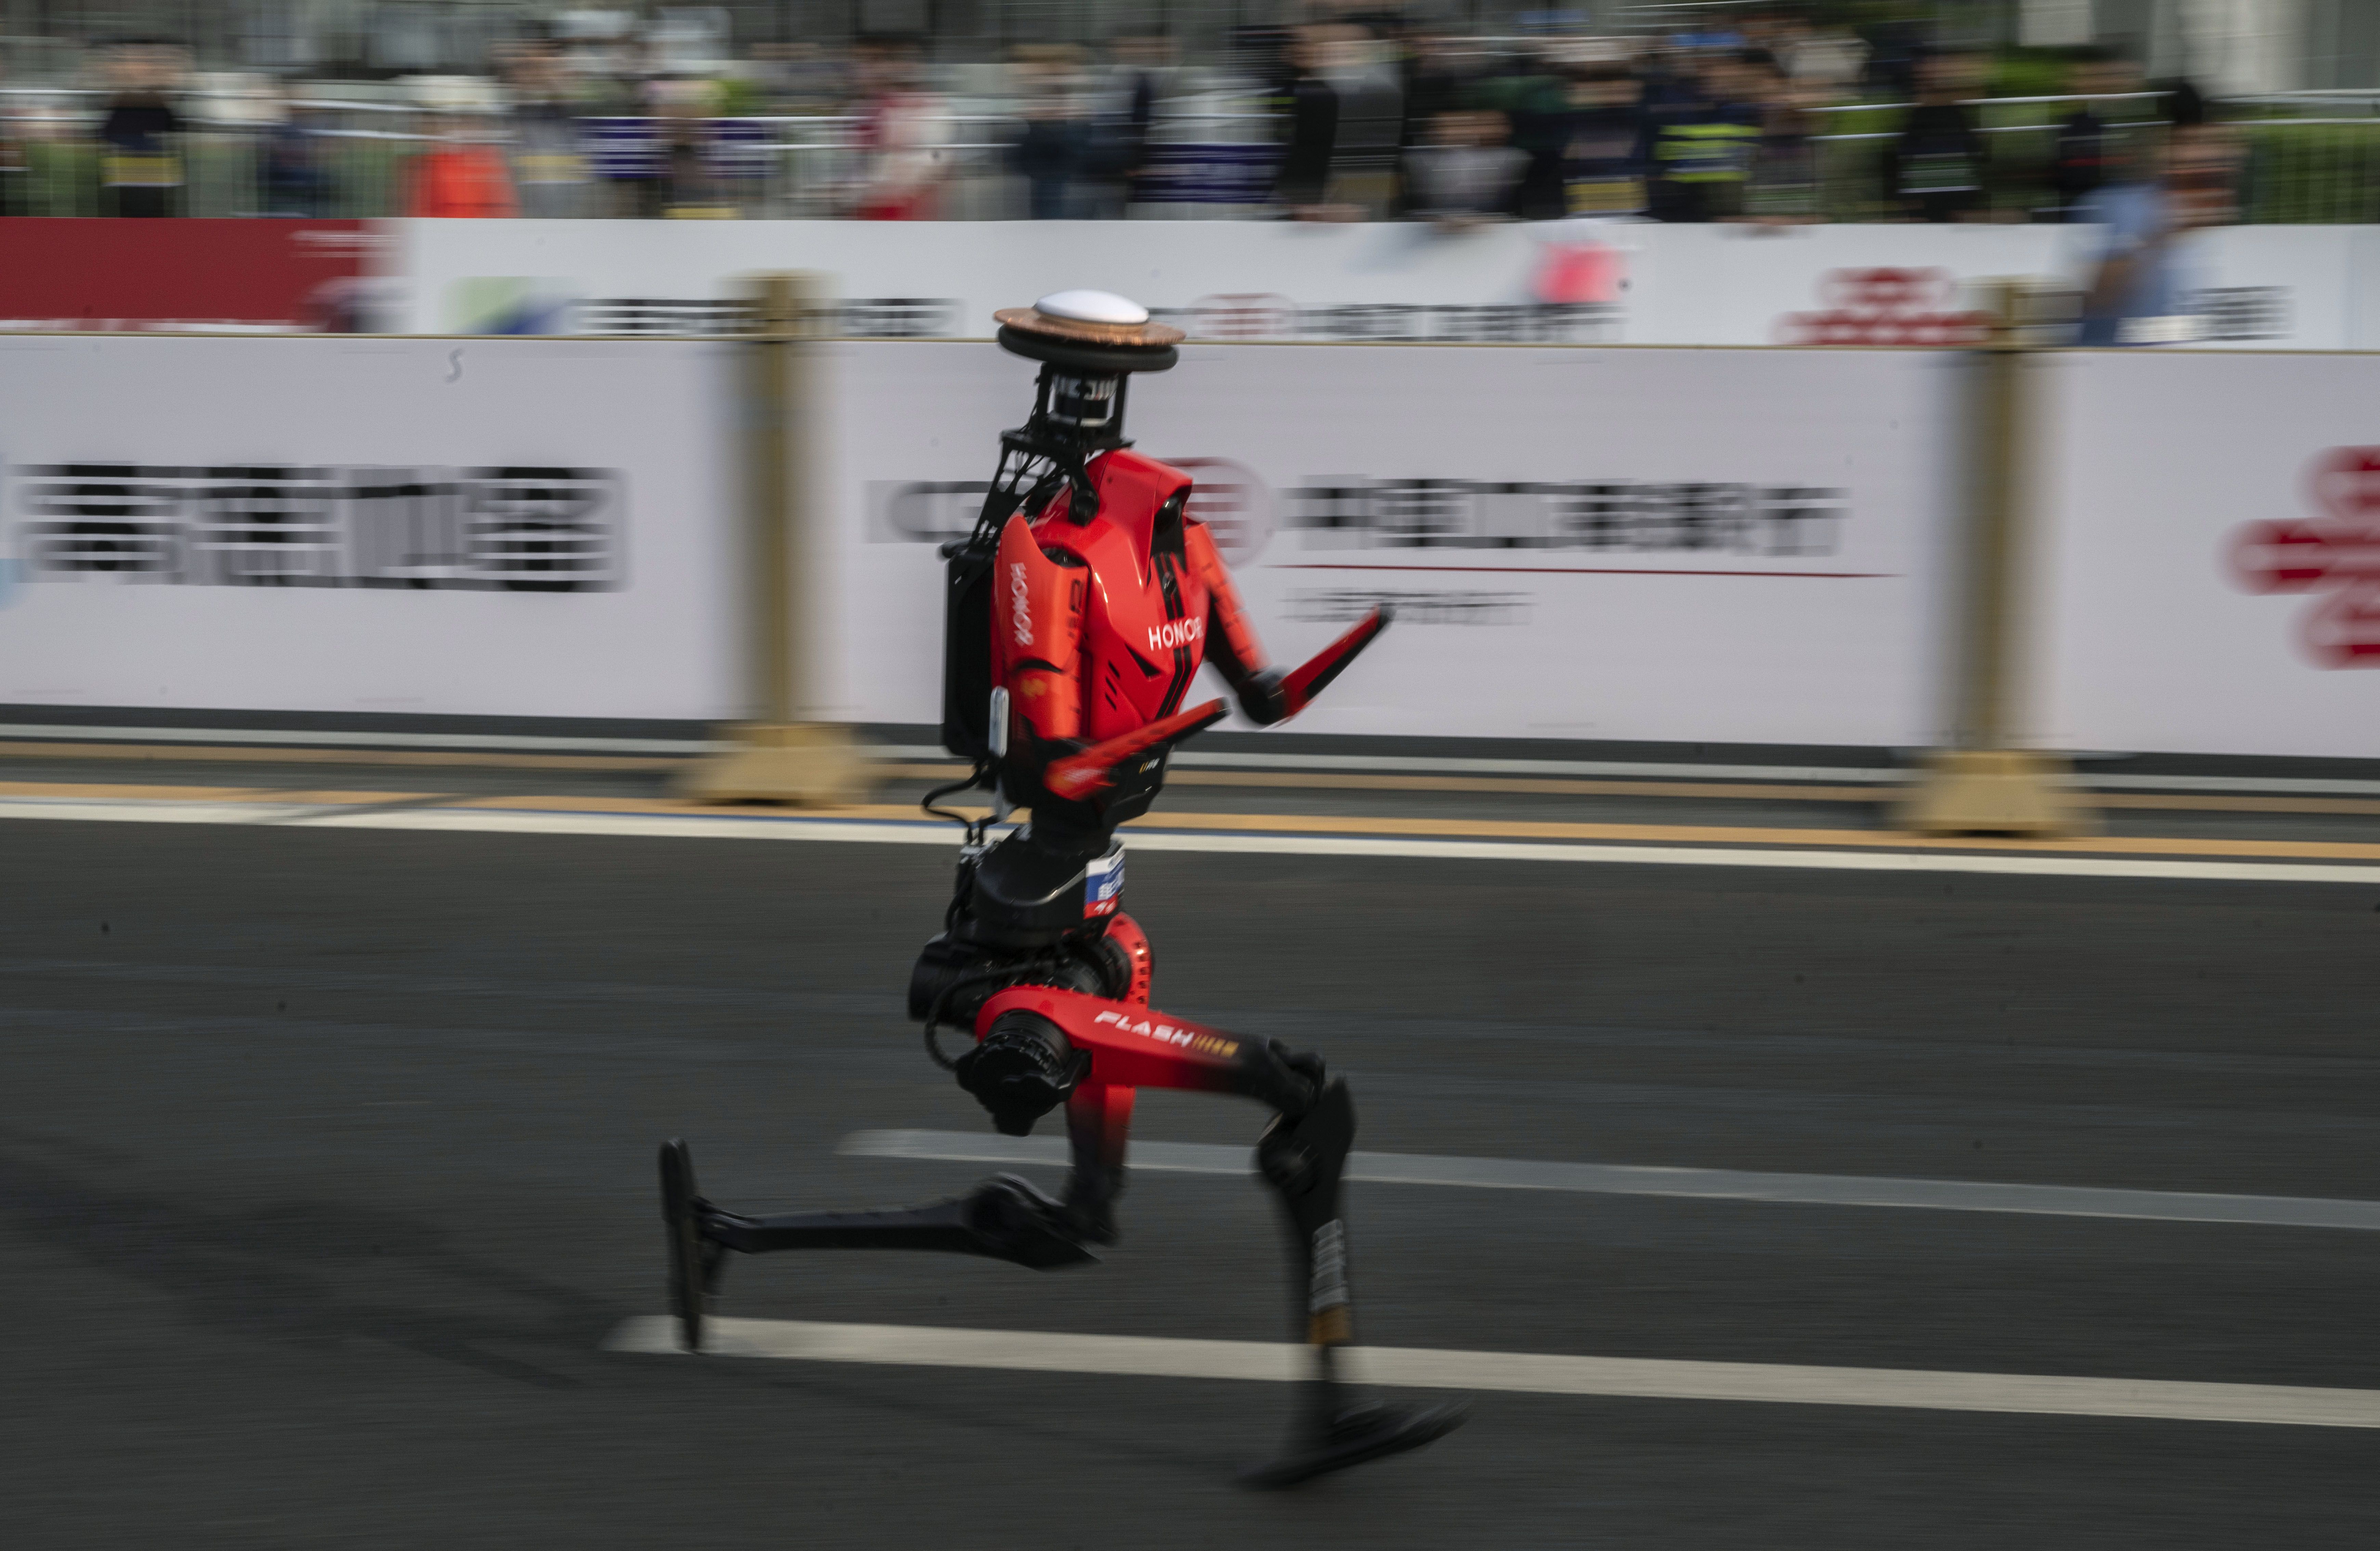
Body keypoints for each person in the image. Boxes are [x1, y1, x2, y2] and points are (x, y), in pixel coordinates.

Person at [2074, 90, 2242, 346]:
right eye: (2193, 142)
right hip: (2106, 363)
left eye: (2217, 143)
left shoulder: (2201, 211)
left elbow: (2165, 325)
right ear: (2166, 147)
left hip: (2159, 362)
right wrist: (2162, 232)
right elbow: (2098, 301)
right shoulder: (2119, 205)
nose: (2208, 156)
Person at [1646, 47, 1761, 222]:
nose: (1713, 74)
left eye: (1720, 67)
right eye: (1709, 68)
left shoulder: (1744, 109)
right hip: (1689, 209)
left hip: (1724, 208)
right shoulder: (1680, 105)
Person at [848, 35, 949, 220]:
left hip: (908, 198)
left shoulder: (928, 105)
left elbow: (935, 157)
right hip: (883, 198)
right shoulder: (876, 104)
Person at [1885, 49, 1988, 222]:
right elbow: (1903, 153)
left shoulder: (1947, 110)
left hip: (1949, 185)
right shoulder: (1923, 111)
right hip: (1931, 186)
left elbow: (1971, 147)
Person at [2050, 47, 2142, 221]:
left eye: (2097, 76)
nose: (2092, 84)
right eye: (2084, 78)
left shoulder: (2125, 119)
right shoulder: (2072, 125)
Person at [99, 40, 185, 218]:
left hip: (140, 170)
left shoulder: (143, 99)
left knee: (140, 207)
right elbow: (172, 128)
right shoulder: (133, 99)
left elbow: (171, 127)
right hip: (140, 169)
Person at [1404, 107, 1524, 229]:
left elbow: (1516, 212)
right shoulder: (1417, 161)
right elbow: (1412, 210)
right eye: (1446, 126)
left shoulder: (1513, 159)